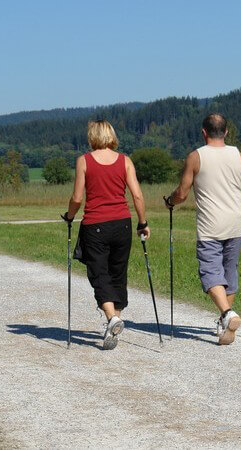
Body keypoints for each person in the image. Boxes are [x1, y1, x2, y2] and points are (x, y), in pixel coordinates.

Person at [165, 113, 241, 345]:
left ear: (204, 132)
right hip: (235, 223)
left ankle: (227, 314)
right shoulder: (240, 157)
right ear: (226, 132)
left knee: (210, 273)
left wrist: (169, 201)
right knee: (229, 273)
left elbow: (182, 193)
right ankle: (225, 323)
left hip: (210, 226)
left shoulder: (196, 157)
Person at [62, 120, 150, 350]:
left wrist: (69, 216)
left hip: (95, 225)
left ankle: (112, 318)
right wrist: (143, 222)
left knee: (99, 274)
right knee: (117, 274)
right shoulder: (125, 161)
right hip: (122, 223)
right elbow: (138, 196)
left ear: (92, 136)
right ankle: (114, 325)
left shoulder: (84, 161)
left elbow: (77, 198)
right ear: (111, 135)